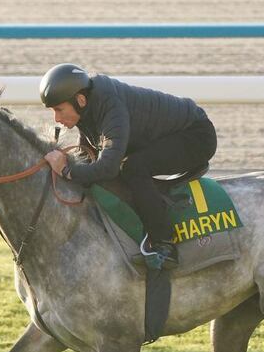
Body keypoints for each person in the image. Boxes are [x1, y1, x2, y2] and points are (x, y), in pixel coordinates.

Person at [40, 63, 217, 268]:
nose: (57, 118)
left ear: (80, 100)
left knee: (133, 168)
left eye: (59, 109)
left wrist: (66, 170)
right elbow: (88, 159)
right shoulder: (86, 105)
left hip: (195, 136)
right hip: (165, 134)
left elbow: (108, 168)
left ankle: (164, 244)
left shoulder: (110, 106)